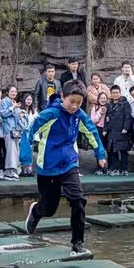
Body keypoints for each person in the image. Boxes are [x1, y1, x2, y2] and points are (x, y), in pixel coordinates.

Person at [23, 80, 106, 257]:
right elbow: (28, 132)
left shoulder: (79, 115)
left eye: (79, 103)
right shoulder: (50, 114)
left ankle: (77, 245)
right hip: (48, 167)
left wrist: (100, 153)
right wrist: (25, 158)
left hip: (69, 163)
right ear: (63, 97)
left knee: (78, 199)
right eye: (71, 102)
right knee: (49, 208)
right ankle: (36, 211)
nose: (74, 106)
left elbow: (91, 131)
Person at [105, 85, 132, 176]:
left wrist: (126, 128)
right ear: (111, 94)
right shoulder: (109, 105)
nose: (115, 94)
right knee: (113, 151)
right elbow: (107, 118)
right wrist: (105, 129)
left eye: (117, 92)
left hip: (121, 130)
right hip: (112, 130)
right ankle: (115, 169)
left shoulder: (125, 103)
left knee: (123, 151)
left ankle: (124, 169)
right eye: (113, 93)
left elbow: (128, 117)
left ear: (120, 93)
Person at [0, 85, 26, 181]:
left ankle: (13, 171)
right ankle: (9, 172)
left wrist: (20, 114)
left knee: (16, 151)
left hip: (16, 131)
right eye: (12, 91)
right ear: (7, 92)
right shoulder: (4, 101)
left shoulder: (14, 102)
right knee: (11, 151)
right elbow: (3, 114)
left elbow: (17, 117)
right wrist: (12, 108)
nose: (14, 93)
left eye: (15, 91)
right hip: (8, 129)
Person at [18, 92, 38, 177]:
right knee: (21, 151)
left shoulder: (34, 111)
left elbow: (36, 122)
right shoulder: (19, 110)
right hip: (21, 133)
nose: (29, 101)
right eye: (27, 99)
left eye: (30, 99)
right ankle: (22, 170)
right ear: (24, 100)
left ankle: (29, 170)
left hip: (31, 134)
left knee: (30, 151)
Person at [90, 92, 108, 175]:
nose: (103, 100)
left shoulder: (109, 107)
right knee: (98, 147)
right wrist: (99, 113)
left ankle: (108, 168)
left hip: (107, 129)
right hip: (98, 129)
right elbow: (93, 120)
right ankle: (100, 168)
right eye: (101, 98)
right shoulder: (95, 108)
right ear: (98, 99)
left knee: (109, 149)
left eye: (104, 98)